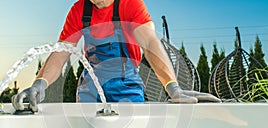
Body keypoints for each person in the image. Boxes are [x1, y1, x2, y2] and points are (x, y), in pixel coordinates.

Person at [12, 0, 220, 112]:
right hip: (90, 88)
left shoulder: (130, 4)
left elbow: (149, 44)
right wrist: (39, 84)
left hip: (126, 85)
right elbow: (60, 54)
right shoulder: (78, 10)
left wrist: (172, 88)